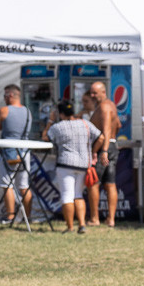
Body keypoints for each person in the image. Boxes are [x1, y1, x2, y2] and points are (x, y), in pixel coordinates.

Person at [42, 99, 103, 234]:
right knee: (78, 195)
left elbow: (45, 137)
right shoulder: (85, 124)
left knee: (67, 196)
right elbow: (101, 137)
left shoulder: (58, 127)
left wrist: (50, 120)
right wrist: (93, 152)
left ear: (60, 114)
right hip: (83, 164)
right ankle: (82, 224)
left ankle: (70, 227)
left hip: (65, 164)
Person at [0, 84, 33, 225]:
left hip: (9, 151)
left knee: (7, 184)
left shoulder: (4, 110)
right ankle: (27, 217)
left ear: (10, 95)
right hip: (25, 150)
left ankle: (10, 216)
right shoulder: (28, 111)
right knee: (24, 185)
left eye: (5, 95)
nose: (4, 98)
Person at [87, 82, 120, 227]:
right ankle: (111, 219)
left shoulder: (104, 107)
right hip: (111, 145)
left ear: (103, 92)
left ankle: (95, 218)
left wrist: (104, 150)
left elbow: (106, 129)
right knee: (110, 183)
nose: (92, 96)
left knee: (93, 182)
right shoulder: (111, 105)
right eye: (91, 92)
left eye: (95, 93)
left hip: (103, 148)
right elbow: (118, 125)